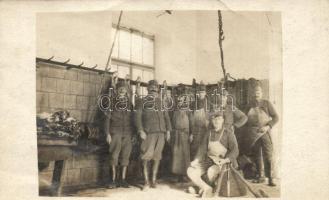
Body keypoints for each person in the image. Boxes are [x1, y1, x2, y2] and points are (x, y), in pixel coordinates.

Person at [187, 112, 240, 197]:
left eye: (219, 119)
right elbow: (202, 149)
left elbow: (235, 150)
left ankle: (201, 189)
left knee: (211, 171)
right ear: (211, 121)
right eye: (214, 119)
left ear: (222, 120)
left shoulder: (228, 133)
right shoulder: (209, 133)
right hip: (208, 161)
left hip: (223, 163)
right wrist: (196, 160)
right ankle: (206, 188)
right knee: (190, 170)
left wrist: (225, 160)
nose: (216, 121)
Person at [135, 79, 172, 190]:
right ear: (147, 89)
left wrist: (168, 131)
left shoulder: (161, 102)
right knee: (146, 157)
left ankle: (154, 181)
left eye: (155, 88)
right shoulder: (142, 101)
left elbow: (166, 117)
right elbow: (137, 118)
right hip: (148, 133)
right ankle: (146, 182)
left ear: (158, 90)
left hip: (161, 133)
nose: (153, 90)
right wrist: (140, 130)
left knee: (157, 157)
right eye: (151, 88)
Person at [244, 84, 279, 186]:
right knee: (257, 155)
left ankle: (270, 178)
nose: (256, 94)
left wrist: (268, 126)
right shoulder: (249, 105)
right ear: (252, 94)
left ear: (261, 93)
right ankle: (260, 176)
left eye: (258, 92)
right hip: (253, 134)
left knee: (268, 155)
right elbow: (245, 119)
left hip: (264, 132)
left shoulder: (267, 103)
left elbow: (276, 117)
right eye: (255, 92)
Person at [105, 77, 134, 188]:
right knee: (114, 156)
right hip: (115, 133)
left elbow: (133, 120)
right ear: (117, 91)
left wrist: (134, 134)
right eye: (120, 89)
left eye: (124, 90)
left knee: (125, 156)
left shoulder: (130, 105)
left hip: (127, 133)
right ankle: (112, 180)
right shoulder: (111, 103)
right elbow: (107, 119)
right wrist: (107, 133)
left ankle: (123, 180)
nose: (122, 91)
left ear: (127, 92)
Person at [170, 84, 192, 182]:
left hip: (185, 134)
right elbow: (171, 122)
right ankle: (176, 175)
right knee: (176, 154)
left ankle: (185, 175)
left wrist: (192, 134)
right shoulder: (174, 109)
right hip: (176, 134)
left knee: (185, 155)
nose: (180, 100)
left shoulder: (188, 110)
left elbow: (192, 123)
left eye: (182, 98)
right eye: (178, 99)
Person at [190, 81, 209, 160]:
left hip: (205, 129)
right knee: (194, 147)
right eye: (200, 92)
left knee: (204, 148)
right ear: (198, 93)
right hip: (195, 129)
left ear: (205, 93)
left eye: (203, 92)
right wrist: (191, 132)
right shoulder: (193, 103)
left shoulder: (209, 103)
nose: (201, 94)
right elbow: (190, 117)